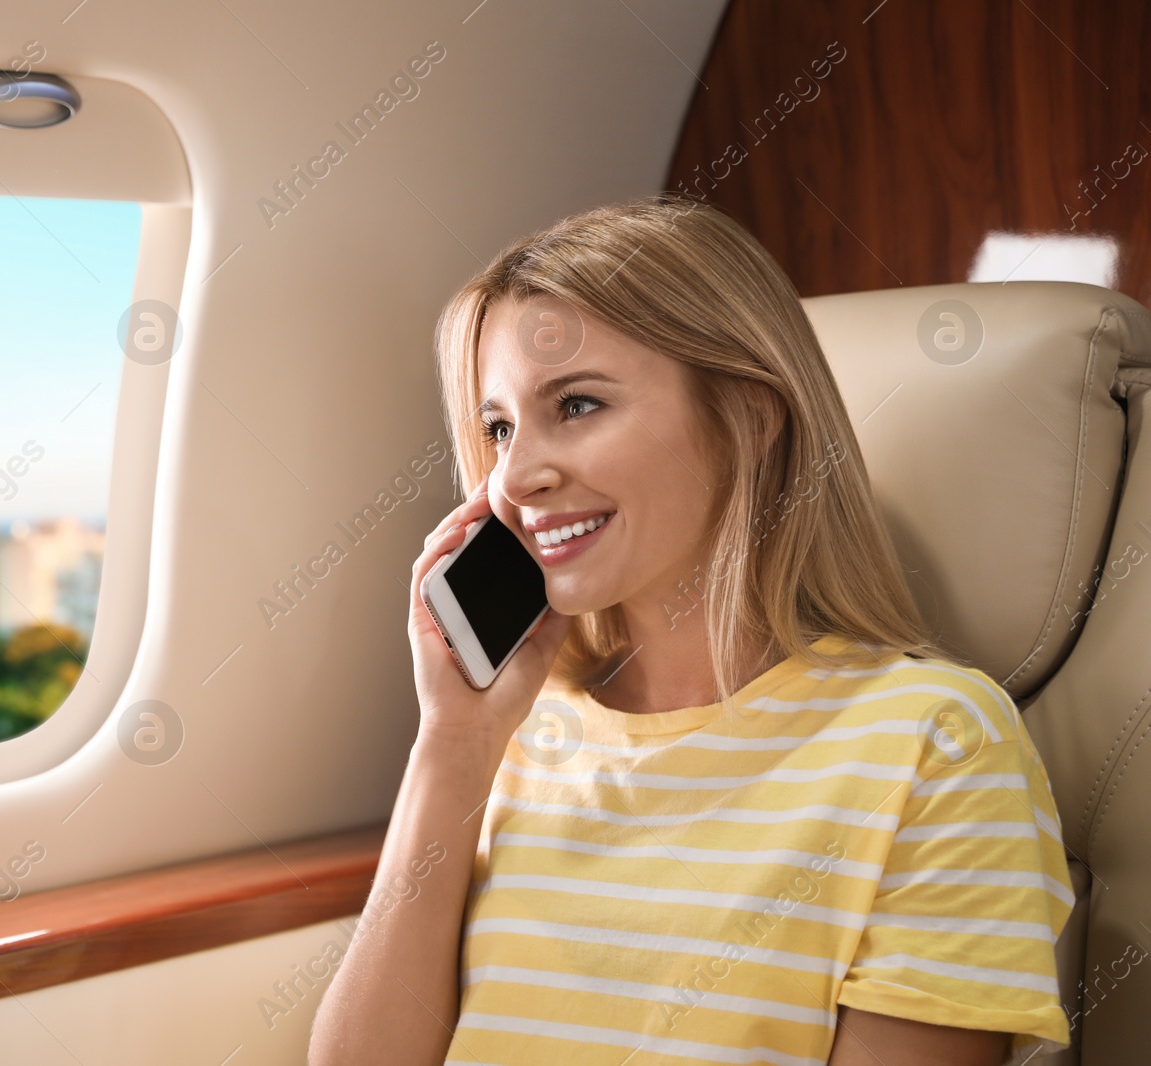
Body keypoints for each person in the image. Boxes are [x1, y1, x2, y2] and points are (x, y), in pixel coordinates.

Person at [308, 195, 1072, 1065]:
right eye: (498, 427)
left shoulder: (936, 746)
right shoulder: (506, 735)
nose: (517, 476)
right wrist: (452, 743)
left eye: (580, 405)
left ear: (749, 415)